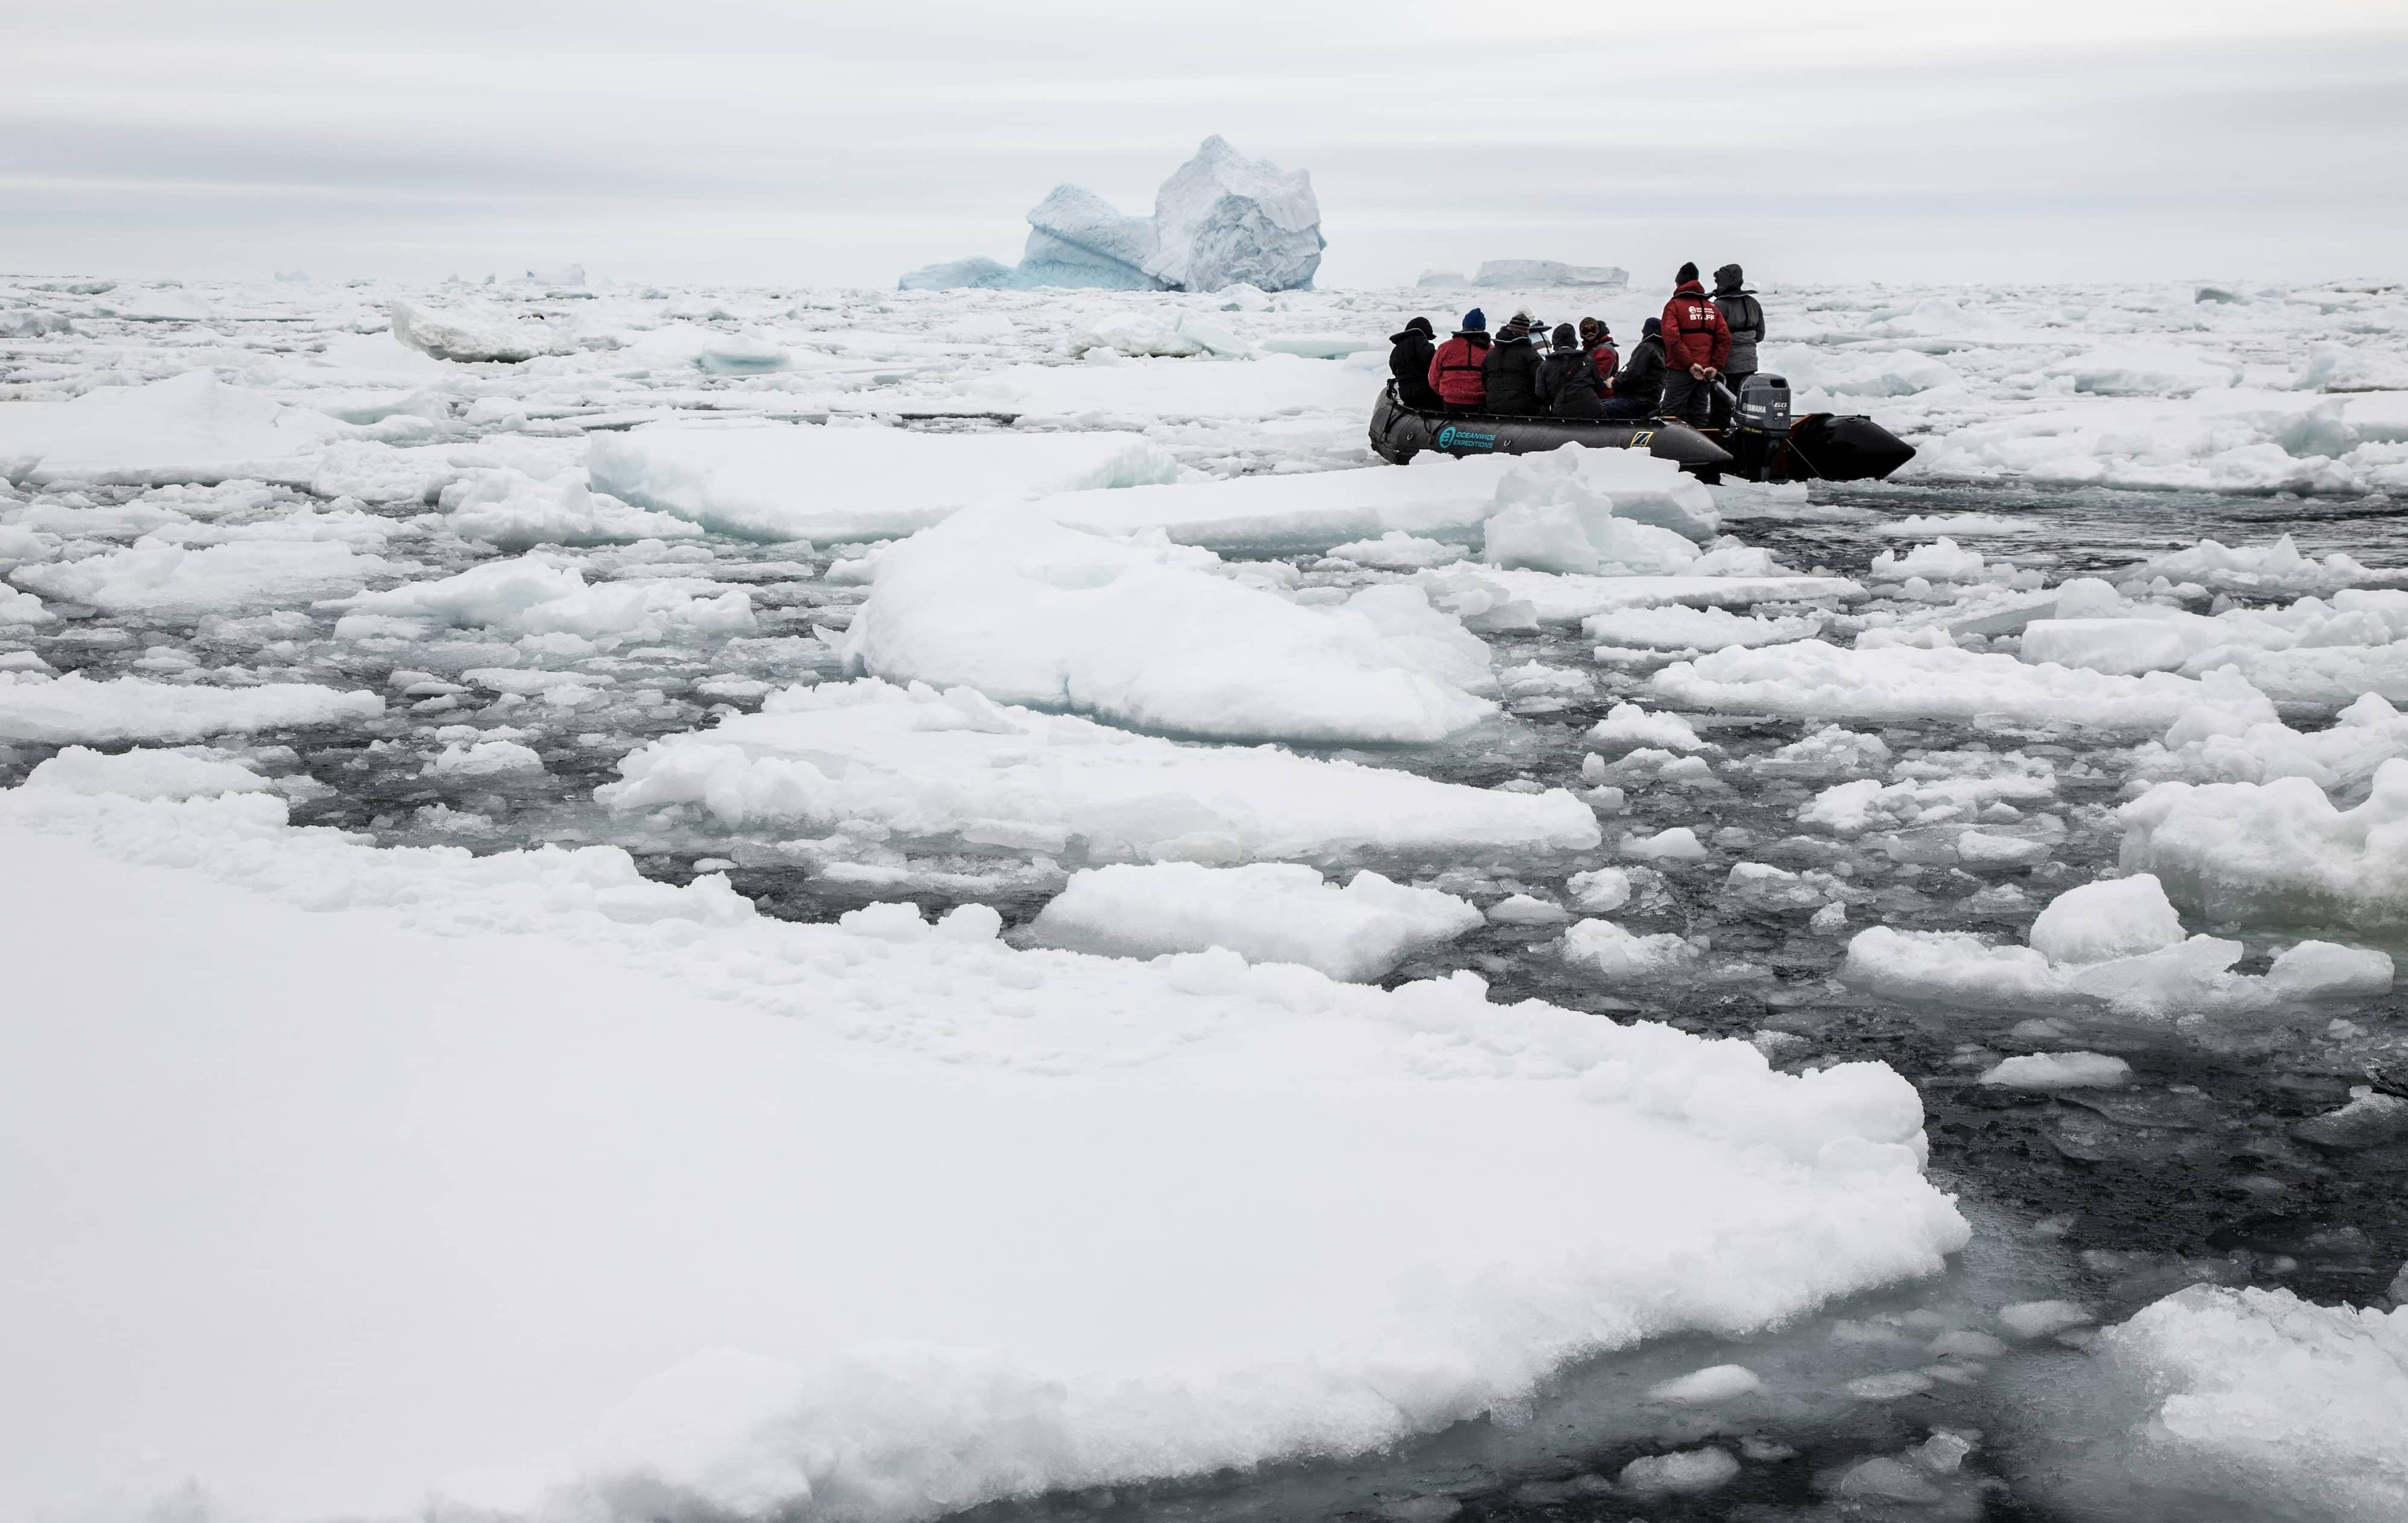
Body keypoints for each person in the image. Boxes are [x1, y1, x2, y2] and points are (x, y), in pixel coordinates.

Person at [1658, 262, 1731, 427]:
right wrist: (1715, 366)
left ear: (1680, 281)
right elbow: (1725, 339)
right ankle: (1701, 441)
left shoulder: (1674, 306)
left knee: (1671, 413)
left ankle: (1672, 444)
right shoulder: (1712, 308)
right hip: (1705, 371)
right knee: (1698, 413)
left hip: (1682, 369)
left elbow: (1672, 339)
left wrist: (1690, 364)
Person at [1708, 264, 1764, 429]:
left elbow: (1711, 337)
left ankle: (1720, 435)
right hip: (1749, 364)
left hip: (1727, 365)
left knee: (1721, 405)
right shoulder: (1754, 303)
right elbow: (1760, 335)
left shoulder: (1719, 306)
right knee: (1745, 404)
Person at [1536, 324, 1611, 417]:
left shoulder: (1545, 365)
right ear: (1574, 341)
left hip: (1562, 413)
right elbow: (1600, 387)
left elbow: (1541, 393)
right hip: (1593, 411)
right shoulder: (1587, 360)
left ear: (1554, 343)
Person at [1597, 316, 1665, 418]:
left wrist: (1614, 383)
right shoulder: (1662, 351)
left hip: (1638, 402)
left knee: (1595, 408)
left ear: (1645, 332)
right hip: (1651, 402)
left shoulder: (1646, 348)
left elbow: (1633, 375)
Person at [1480, 311, 1545, 415]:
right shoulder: (1530, 354)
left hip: (1493, 406)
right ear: (1525, 333)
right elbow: (1540, 382)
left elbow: (1485, 380)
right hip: (1524, 408)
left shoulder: (1492, 353)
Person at [1427, 308, 1491, 411]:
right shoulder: (1491, 351)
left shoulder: (1445, 347)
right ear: (1483, 328)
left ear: (1464, 325)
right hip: (1481, 403)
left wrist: (1445, 394)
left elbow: (1433, 377)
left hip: (1451, 402)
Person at [1387, 316, 1444, 410]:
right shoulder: (1420, 342)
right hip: (1428, 394)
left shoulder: (1395, 351)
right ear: (1424, 333)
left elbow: (1394, 371)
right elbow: (1435, 364)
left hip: (1405, 395)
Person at [1577, 317, 1618, 391]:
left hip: (1603, 394)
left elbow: (1599, 378)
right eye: (1586, 332)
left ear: (1598, 331)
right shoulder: (1589, 348)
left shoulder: (1605, 351)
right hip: (1591, 392)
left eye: (1593, 331)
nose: (1590, 334)